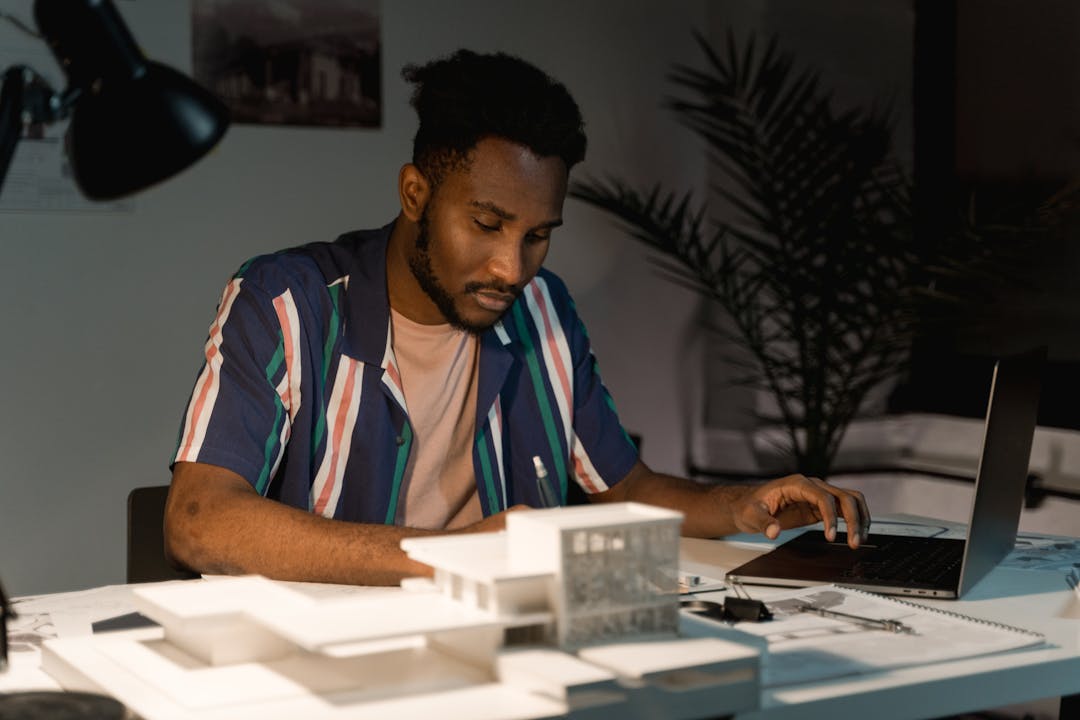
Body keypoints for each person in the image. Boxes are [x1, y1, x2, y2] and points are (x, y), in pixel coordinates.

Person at [165, 49, 869, 586]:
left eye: (538, 234)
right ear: (416, 195)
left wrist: (746, 506)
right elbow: (199, 520)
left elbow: (626, 488)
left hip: (504, 649)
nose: (512, 266)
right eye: (486, 223)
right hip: (329, 665)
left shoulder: (544, 310)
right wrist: (457, 554)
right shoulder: (288, 302)